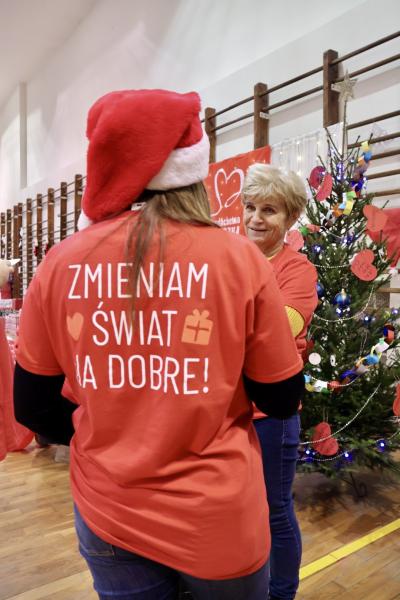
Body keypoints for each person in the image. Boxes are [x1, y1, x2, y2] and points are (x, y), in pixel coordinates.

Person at [14, 89, 304, 600]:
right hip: (216, 514)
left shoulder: (60, 262)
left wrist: (109, 420)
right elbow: (280, 398)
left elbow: (33, 406)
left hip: (109, 508)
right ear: (194, 170)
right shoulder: (239, 259)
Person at [242, 163, 318, 600]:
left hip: (271, 413)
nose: (256, 218)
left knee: (274, 509)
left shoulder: (297, 269)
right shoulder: (232, 257)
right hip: (229, 409)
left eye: (269, 210)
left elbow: (284, 325)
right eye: (251, 207)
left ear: (289, 218)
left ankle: (282, 593)